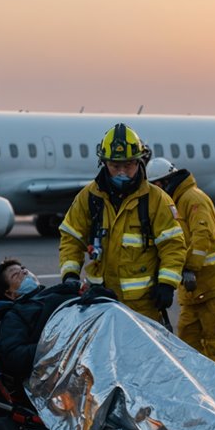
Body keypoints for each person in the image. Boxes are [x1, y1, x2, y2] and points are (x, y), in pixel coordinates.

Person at [58, 124, 186, 322]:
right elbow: (71, 238)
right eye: (115, 166)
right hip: (100, 304)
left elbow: (173, 246)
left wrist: (167, 283)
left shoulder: (156, 200)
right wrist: (70, 275)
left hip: (143, 308)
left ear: (139, 162)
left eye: (128, 165)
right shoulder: (89, 197)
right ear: (104, 163)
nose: (122, 172)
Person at [145, 157, 215, 373]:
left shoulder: (192, 198)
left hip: (212, 289)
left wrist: (190, 268)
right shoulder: (174, 202)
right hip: (192, 292)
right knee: (188, 348)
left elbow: (201, 235)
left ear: (164, 182)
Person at [0, 258, 97, 377]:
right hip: (65, 370)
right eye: (15, 274)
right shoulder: (15, 316)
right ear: (10, 294)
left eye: (23, 269)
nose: (24, 272)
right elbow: (14, 356)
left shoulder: (59, 292)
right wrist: (54, 345)